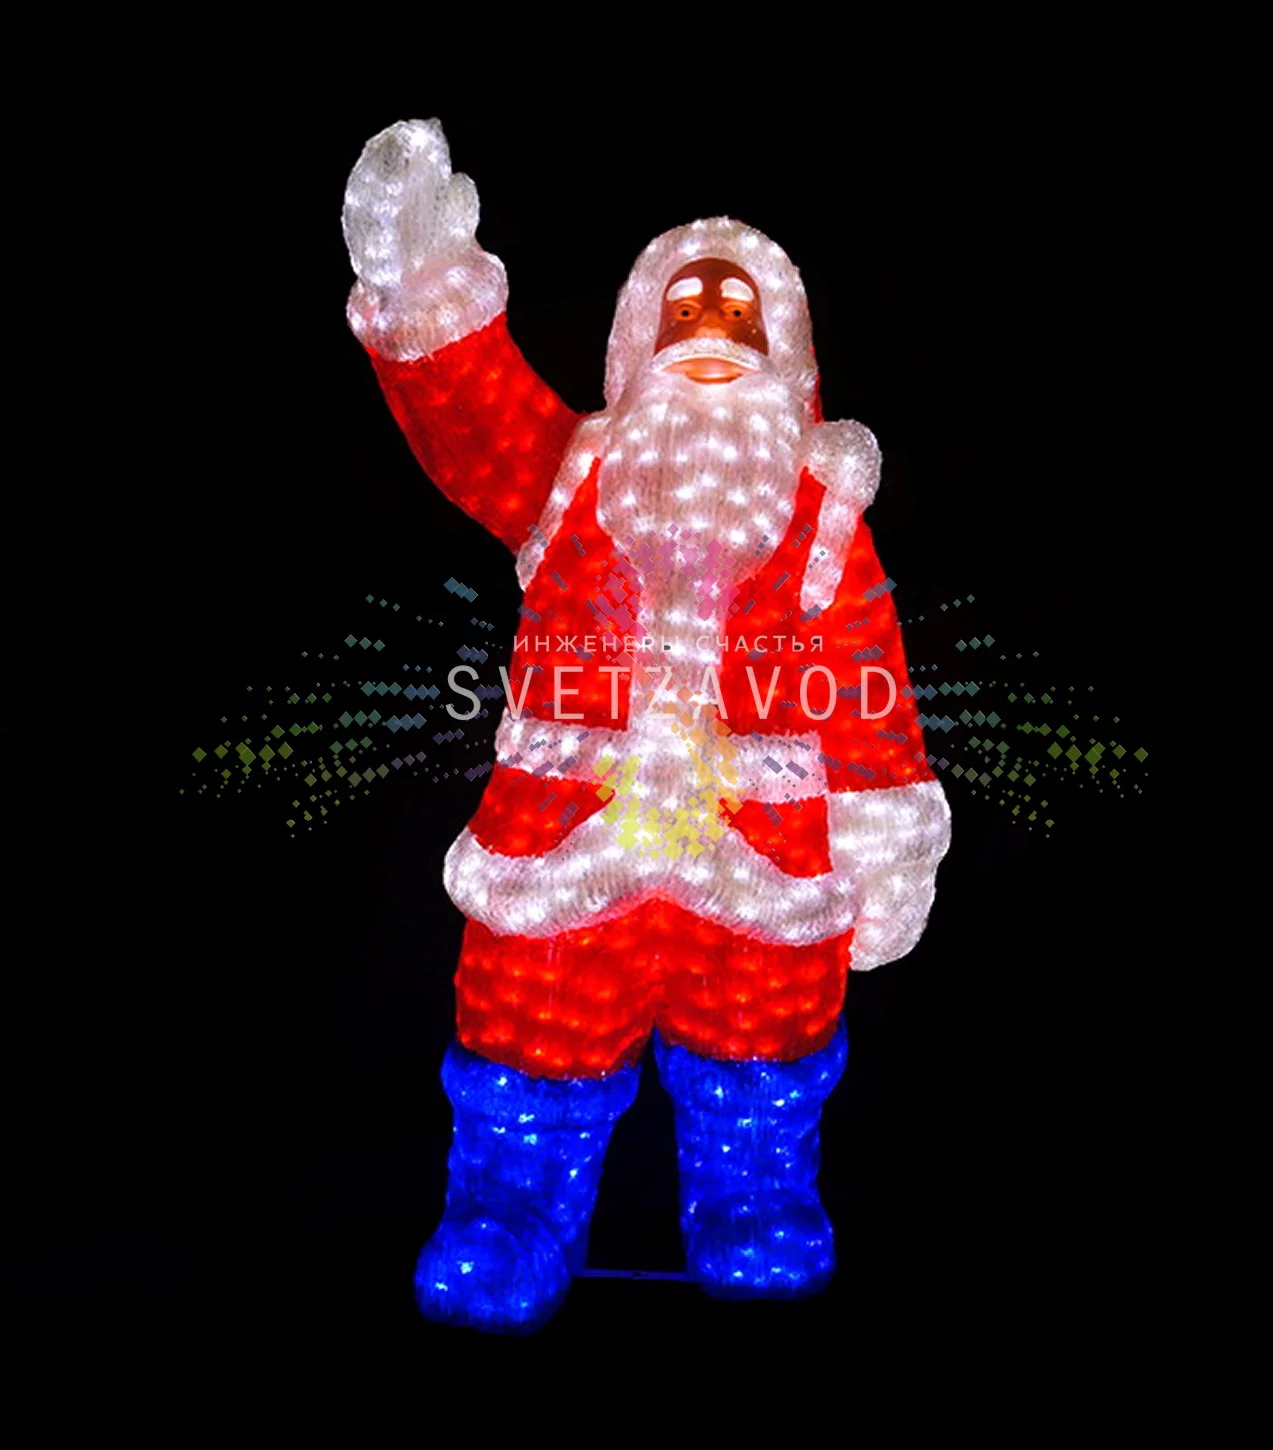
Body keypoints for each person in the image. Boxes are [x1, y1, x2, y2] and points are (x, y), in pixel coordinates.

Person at [342, 117, 951, 1333]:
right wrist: (419, 282)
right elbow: (471, 411)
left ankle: (753, 1200)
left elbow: (867, 685)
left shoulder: (823, 515)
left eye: (737, 309)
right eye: (684, 307)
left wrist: (884, 844)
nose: (710, 326)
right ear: (636, 341)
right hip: (567, 847)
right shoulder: (567, 474)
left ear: (787, 348)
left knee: (758, 1051)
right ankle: (510, 1210)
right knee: (530, 1036)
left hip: (760, 864)